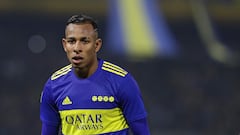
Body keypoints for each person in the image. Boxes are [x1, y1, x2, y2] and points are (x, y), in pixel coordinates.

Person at [40, 14, 150, 135]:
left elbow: (141, 131)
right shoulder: (53, 85)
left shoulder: (122, 81)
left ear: (96, 45)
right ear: (65, 45)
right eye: (72, 41)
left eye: (84, 41)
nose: (77, 48)